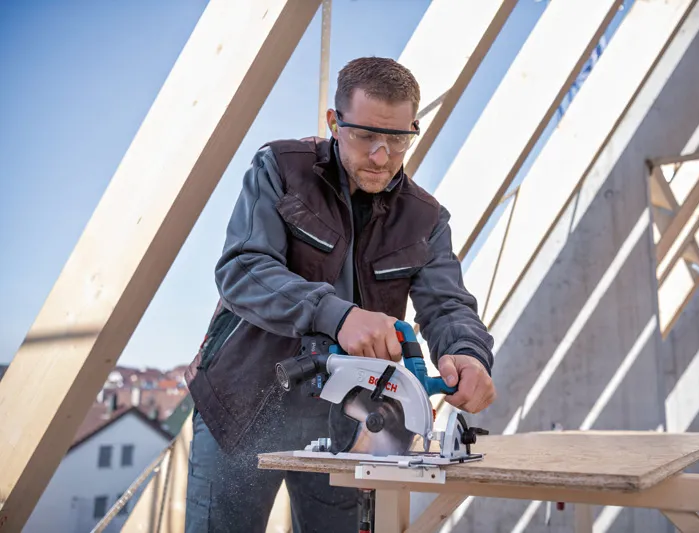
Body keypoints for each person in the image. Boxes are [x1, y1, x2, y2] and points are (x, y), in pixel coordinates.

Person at [183, 56, 496, 533]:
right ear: (334, 122)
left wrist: (468, 354)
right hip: (241, 405)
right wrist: (338, 316)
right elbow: (243, 269)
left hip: (349, 423)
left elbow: (447, 304)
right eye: (366, 136)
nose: (381, 156)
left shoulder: (427, 219)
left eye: (396, 139)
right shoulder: (280, 168)